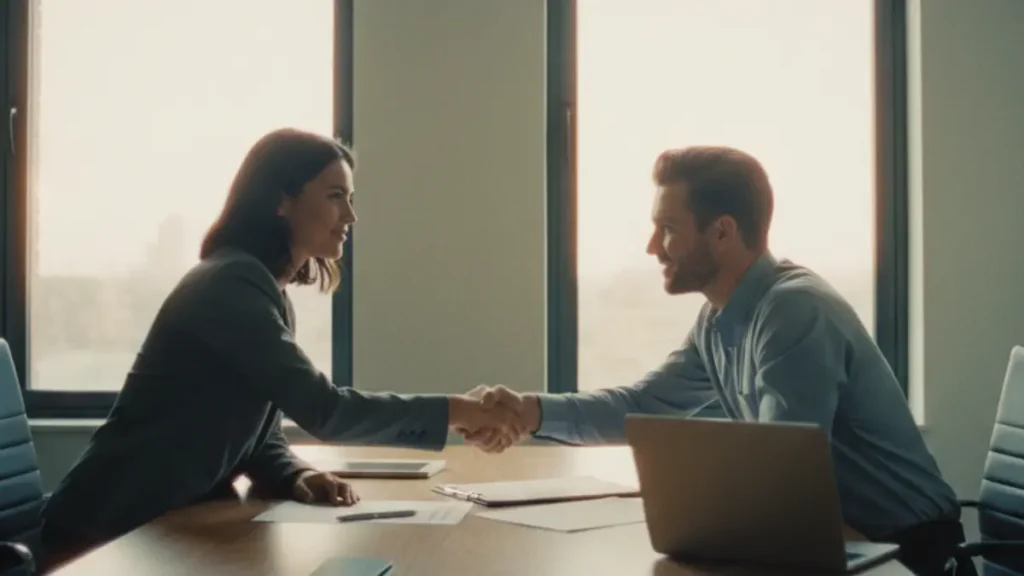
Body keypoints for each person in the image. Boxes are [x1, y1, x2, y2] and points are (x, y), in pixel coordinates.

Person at [462, 146, 966, 575]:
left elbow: (781, 485)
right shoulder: (719, 319)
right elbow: (644, 404)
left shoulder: (793, 311)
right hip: (839, 544)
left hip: (906, 555)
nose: (652, 247)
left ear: (722, 232)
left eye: (667, 229)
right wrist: (529, 412)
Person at [39, 128, 520, 566]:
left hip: (167, 527)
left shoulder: (264, 289)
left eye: (350, 199)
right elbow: (325, 410)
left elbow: (258, 432)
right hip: (104, 537)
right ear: (280, 201)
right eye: (335, 197)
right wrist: (460, 410)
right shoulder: (230, 285)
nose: (350, 216)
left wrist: (294, 476)